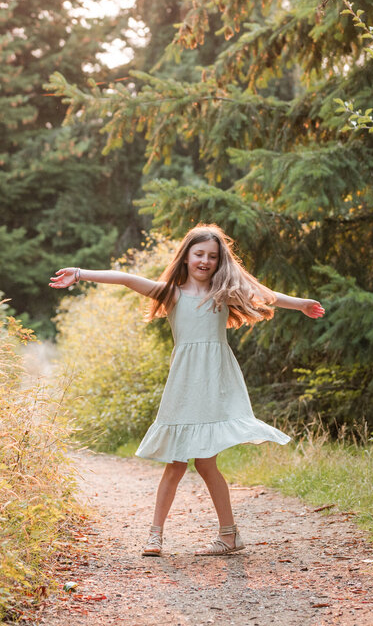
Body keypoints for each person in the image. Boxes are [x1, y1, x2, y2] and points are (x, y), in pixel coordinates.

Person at [49, 224, 325, 557]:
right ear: (186, 257)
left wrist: (301, 305)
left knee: (207, 465)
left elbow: (265, 295)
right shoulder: (172, 293)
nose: (205, 261)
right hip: (184, 385)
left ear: (220, 261)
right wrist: (79, 273)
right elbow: (124, 277)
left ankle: (229, 535)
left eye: (212, 256)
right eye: (199, 254)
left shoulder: (225, 292)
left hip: (214, 384)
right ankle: (156, 535)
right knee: (177, 463)